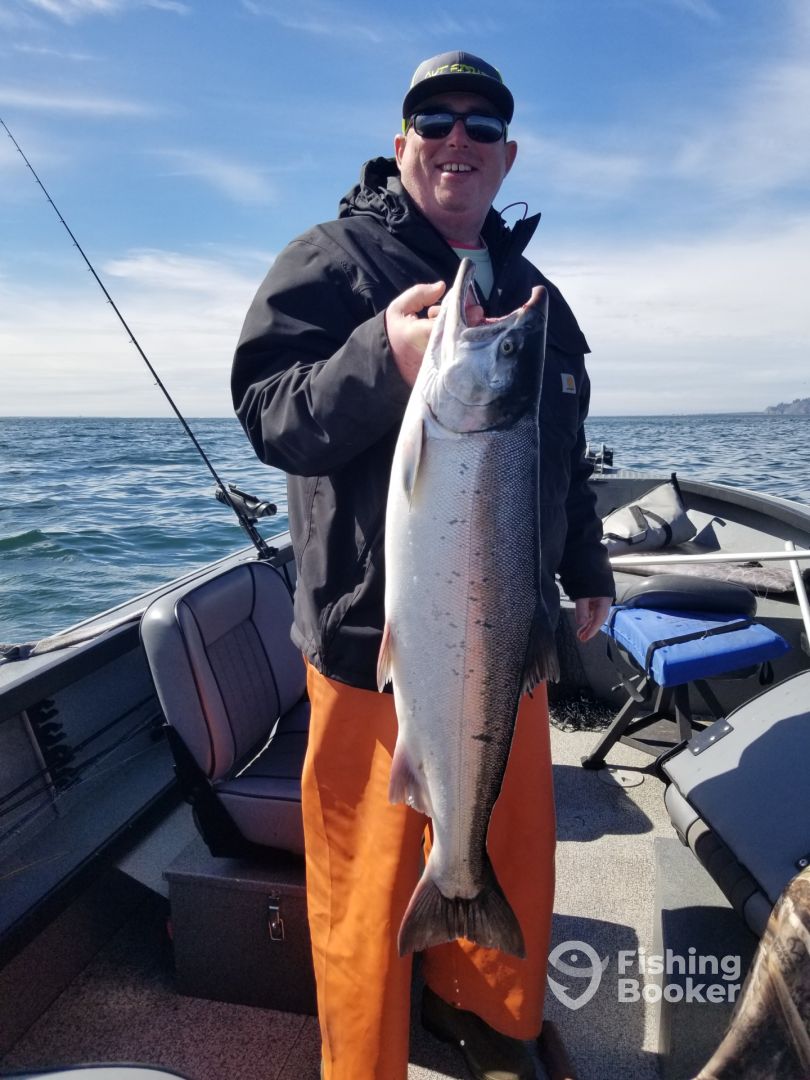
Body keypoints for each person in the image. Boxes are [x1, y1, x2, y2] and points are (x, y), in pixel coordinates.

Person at [232, 50, 614, 1080]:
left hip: (509, 642)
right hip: (372, 643)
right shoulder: (332, 259)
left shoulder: (532, 294)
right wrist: (382, 360)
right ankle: (363, 1064)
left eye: (481, 126)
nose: (458, 140)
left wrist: (588, 564)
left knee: (506, 848)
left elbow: (563, 448)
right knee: (364, 893)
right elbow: (269, 414)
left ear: (507, 156)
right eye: (434, 121)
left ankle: (487, 1020)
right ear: (402, 144)